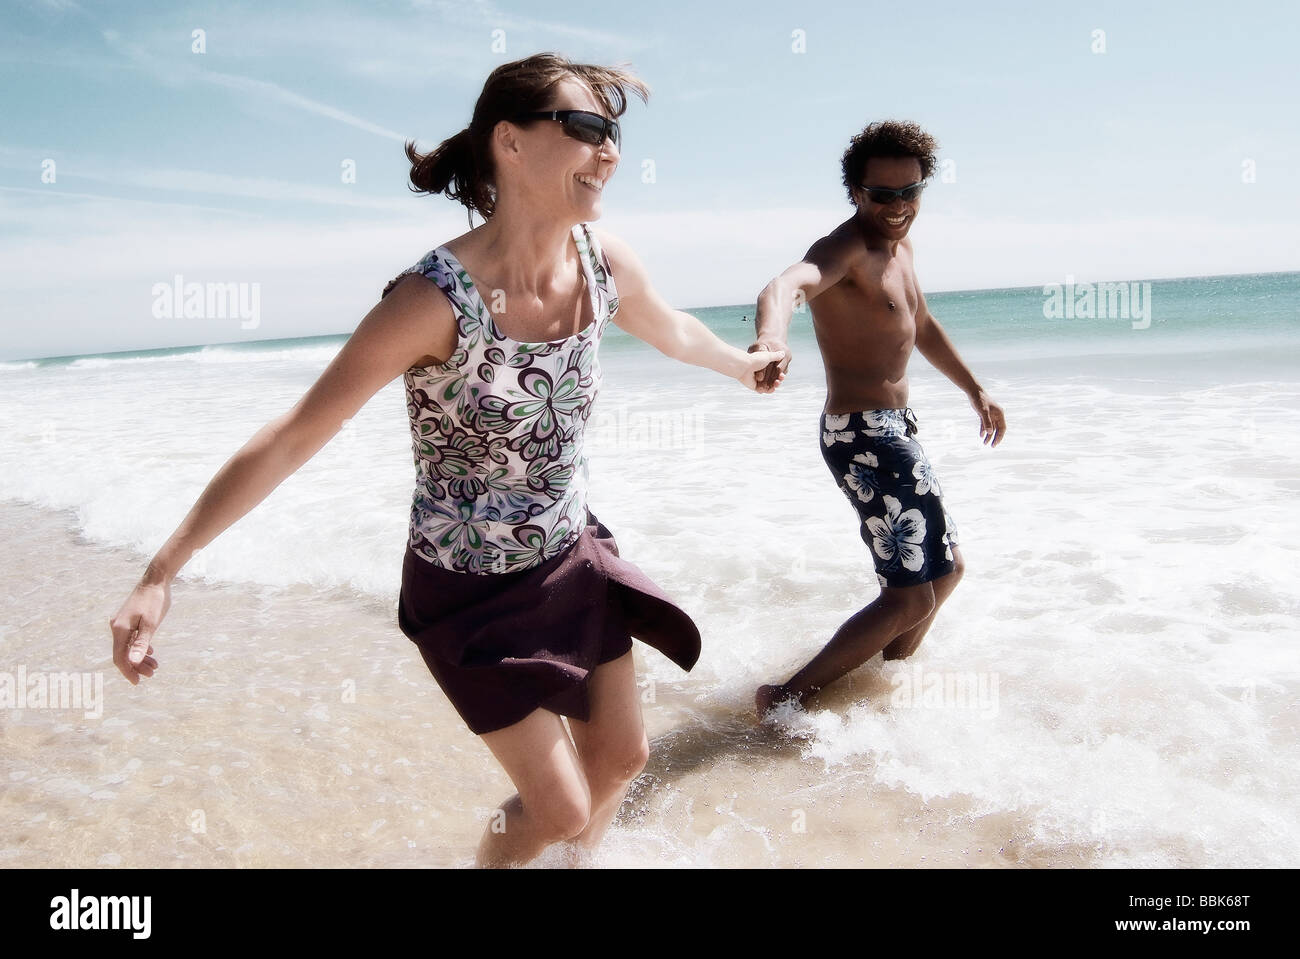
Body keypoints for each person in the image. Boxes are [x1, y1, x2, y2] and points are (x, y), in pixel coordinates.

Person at [109, 53, 783, 867]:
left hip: (569, 549)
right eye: (588, 129)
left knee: (622, 759)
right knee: (562, 806)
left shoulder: (604, 263)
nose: (609, 151)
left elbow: (673, 328)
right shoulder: (433, 301)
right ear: (511, 141)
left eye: (615, 135)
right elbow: (295, 434)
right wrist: (162, 568)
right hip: (469, 589)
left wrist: (742, 364)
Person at [748, 120, 1005, 717]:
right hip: (861, 436)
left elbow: (923, 326)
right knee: (912, 595)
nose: (896, 207)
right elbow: (786, 285)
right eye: (880, 195)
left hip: (897, 429)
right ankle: (785, 699)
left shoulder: (902, 248)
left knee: (947, 572)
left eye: (908, 193)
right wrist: (769, 339)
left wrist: (975, 389)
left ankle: (882, 688)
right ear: (856, 193)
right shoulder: (847, 250)